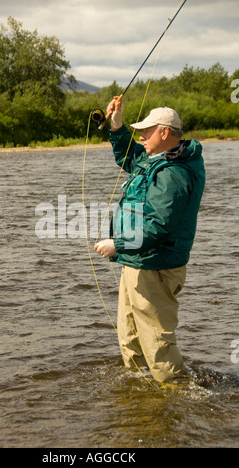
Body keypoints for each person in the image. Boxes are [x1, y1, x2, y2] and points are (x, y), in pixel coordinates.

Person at [94, 97, 206, 383]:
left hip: (155, 266)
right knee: (130, 338)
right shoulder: (159, 160)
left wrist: (116, 245)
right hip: (137, 262)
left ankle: (177, 398)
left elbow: (157, 226)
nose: (140, 135)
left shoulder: (175, 173)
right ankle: (141, 399)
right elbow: (129, 158)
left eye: (146, 131)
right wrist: (116, 125)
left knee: (157, 345)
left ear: (165, 132)